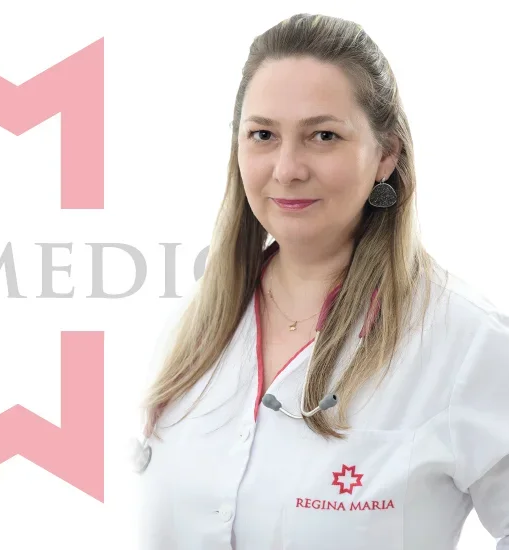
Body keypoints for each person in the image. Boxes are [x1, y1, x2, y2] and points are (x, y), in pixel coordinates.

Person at [134, 13, 509, 550]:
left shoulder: (466, 342)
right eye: (263, 135)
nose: (287, 168)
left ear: (385, 155)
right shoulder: (188, 333)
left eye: (323, 136)